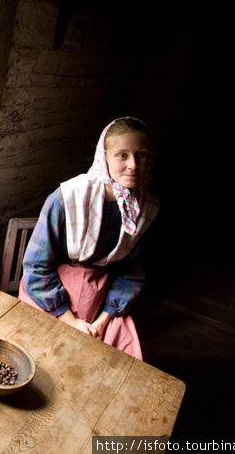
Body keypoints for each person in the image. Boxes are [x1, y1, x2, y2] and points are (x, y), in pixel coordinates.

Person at [18, 117, 159, 360]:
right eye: (122, 155)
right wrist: (70, 319)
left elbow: (132, 274)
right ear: (104, 157)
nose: (133, 165)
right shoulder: (67, 197)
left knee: (121, 358)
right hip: (49, 290)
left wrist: (104, 319)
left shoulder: (146, 207)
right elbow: (36, 265)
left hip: (101, 293)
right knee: (47, 354)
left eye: (141, 154)